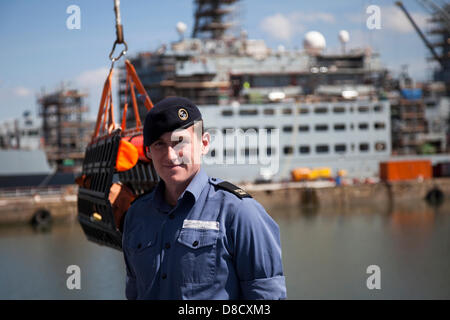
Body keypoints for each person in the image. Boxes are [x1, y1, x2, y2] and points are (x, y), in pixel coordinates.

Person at [122, 96, 286, 300]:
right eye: (159, 144)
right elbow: (134, 292)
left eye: (179, 141)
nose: (171, 155)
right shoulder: (136, 215)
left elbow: (266, 297)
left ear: (204, 143)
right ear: (148, 152)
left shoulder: (240, 213)